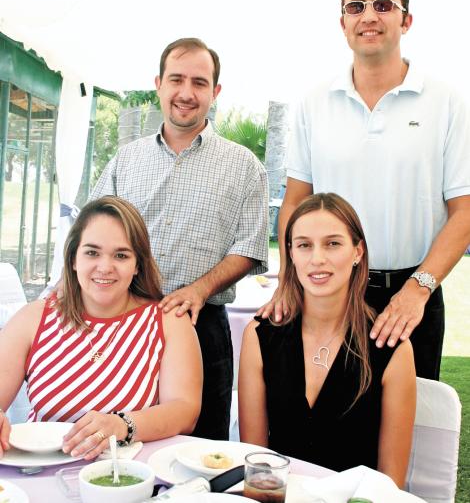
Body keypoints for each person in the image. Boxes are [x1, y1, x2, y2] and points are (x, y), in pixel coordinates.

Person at [260, 0, 470, 380]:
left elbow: (464, 211)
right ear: (342, 23)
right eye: (355, 7)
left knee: (404, 438)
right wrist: (288, 279)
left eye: (383, 5)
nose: (368, 16)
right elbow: (296, 202)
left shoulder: (447, 101)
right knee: (321, 436)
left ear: (406, 20)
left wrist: (418, 290)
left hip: (412, 298)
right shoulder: (314, 103)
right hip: (327, 292)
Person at [91, 38, 269, 439]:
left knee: (201, 453)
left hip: (202, 326)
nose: (186, 93)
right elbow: (92, 232)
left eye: (200, 83)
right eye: (176, 79)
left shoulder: (245, 167)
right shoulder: (126, 160)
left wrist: (199, 289)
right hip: (122, 324)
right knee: (116, 443)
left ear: (215, 92)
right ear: (158, 84)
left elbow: (251, 246)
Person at [0, 196, 202, 459]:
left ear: (137, 264)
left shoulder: (169, 320)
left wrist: (122, 425)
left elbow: (185, 410)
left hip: (132, 477)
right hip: (41, 471)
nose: (105, 267)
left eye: (121, 255)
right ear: (73, 259)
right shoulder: (33, 318)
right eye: (92, 252)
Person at [240, 193, 416, 487]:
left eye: (333, 243)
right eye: (304, 245)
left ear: (358, 252)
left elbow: (389, 484)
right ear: (291, 254)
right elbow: (257, 464)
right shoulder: (260, 336)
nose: (317, 258)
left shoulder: (391, 347)